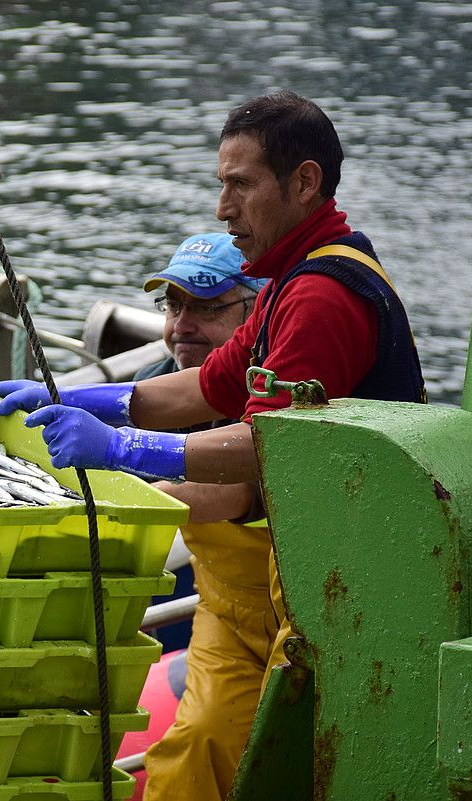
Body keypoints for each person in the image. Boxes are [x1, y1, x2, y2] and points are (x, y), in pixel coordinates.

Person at [0, 91, 426, 800]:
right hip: (284, 584)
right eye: (222, 185)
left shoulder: (319, 298)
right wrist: (75, 397)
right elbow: (208, 388)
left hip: (342, 588)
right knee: (194, 755)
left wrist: (121, 447)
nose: (224, 207)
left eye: (240, 185)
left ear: (305, 183)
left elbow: (265, 448)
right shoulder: (292, 280)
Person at [134, 232, 281, 801]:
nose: (182, 326)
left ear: (256, 313)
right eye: (174, 306)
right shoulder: (163, 387)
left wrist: (131, 483)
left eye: (206, 306)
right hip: (228, 614)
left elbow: (238, 490)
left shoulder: (277, 385)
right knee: (193, 748)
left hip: (310, 619)